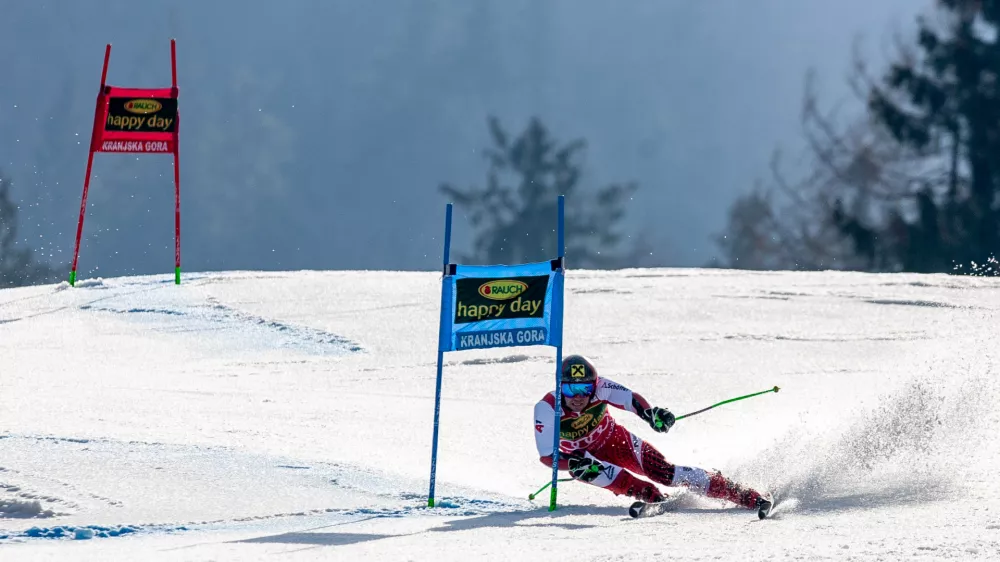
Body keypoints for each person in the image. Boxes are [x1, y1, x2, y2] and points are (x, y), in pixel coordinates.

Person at [533, 354, 772, 518]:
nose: (578, 397)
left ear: (594, 386)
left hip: (617, 441)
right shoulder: (546, 408)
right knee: (598, 473)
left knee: (667, 473)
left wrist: (650, 415)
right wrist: (572, 463)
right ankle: (652, 497)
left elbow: (630, 400)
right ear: (559, 386)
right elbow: (547, 456)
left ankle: (746, 495)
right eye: (569, 389)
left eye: (585, 388)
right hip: (586, 458)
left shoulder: (601, 387)